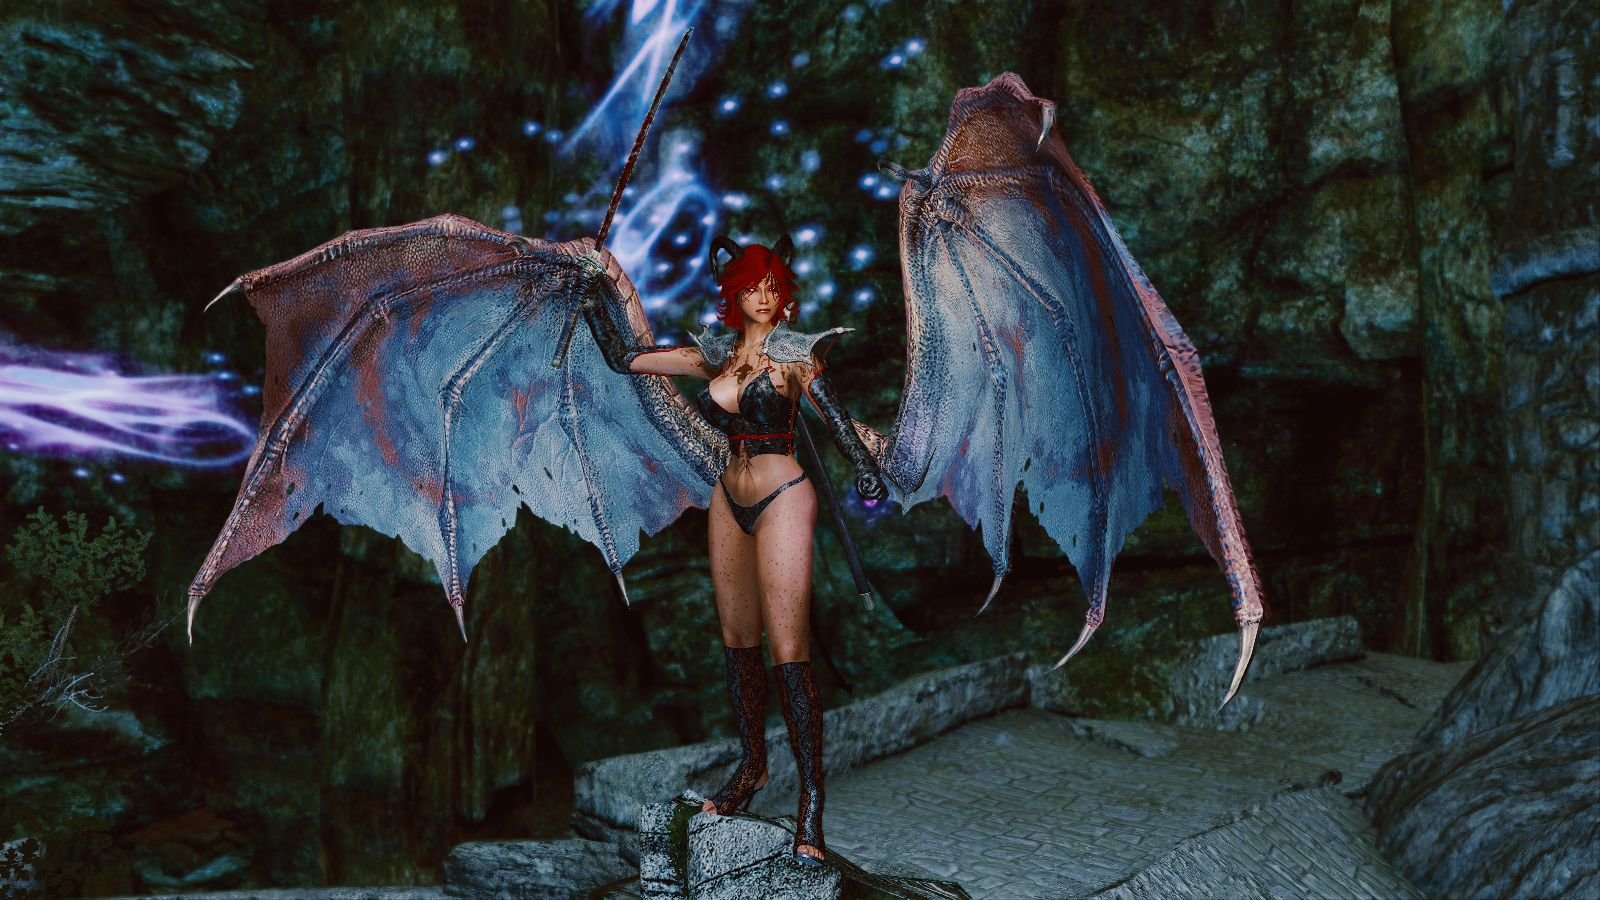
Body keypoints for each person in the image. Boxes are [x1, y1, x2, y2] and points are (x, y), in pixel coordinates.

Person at [581, 235, 886, 867]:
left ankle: (811, 803)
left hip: (784, 496)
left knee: (788, 649)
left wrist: (863, 465)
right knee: (738, 642)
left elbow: (836, 420)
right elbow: (624, 358)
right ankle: (752, 768)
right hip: (728, 499)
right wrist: (589, 297)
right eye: (752, 286)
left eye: (773, 285)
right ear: (733, 294)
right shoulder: (715, 356)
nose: (764, 295)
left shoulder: (797, 356)